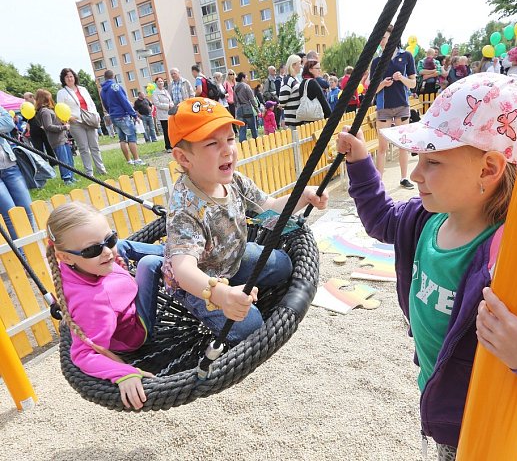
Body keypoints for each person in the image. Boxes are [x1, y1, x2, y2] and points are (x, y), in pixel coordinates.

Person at [336, 72, 517, 459]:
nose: (414, 174)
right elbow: (380, 220)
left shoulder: (515, 260)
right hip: (438, 392)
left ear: (488, 169)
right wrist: (360, 164)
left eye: (433, 161)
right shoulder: (427, 219)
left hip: (478, 423)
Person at [163, 97, 328, 343]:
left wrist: (303, 197)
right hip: (199, 285)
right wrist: (222, 295)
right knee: (250, 325)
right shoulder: (185, 209)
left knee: (284, 264)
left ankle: (236, 286)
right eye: (212, 143)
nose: (227, 148)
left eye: (230, 139)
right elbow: (184, 270)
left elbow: (268, 209)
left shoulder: (235, 181)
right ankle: (209, 300)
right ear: (184, 158)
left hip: (233, 260)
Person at [45, 201, 164, 410]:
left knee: (124, 246)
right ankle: (178, 256)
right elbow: (83, 355)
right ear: (64, 256)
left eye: (110, 239)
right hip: (135, 330)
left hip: (118, 297)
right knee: (149, 264)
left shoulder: (74, 265)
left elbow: (105, 251)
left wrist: (104, 257)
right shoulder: (94, 303)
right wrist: (123, 373)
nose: (108, 251)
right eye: (92, 250)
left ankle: (171, 249)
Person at [370, 24, 417, 188]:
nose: (380, 42)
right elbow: (372, 90)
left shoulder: (407, 56)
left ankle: (404, 178)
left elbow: (412, 84)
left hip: (402, 105)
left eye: (383, 38)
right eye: (380, 39)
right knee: (382, 147)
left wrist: (401, 78)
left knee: (402, 144)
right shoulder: (376, 61)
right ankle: (379, 182)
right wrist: (383, 83)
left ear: (392, 37)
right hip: (383, 107)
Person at [56, 68, 107, 176]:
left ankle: (101, 169)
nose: (69, 79)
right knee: (83, 147)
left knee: (95, 146)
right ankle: (89, 173)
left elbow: (91, 103)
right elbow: (60, 108)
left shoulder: (82, 89)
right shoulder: (62, 93)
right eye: (67, 77)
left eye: (71, 76)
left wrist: (96, 115)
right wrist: (69, 117)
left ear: (74, 77)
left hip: (89, 119)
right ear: (63, 79)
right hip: (76, 122)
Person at [0, 106, 36, 240]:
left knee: (27, 209)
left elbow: (8, 123)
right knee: (10, 215)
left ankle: (31, 247)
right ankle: (23, 255)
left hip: (10, 165)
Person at [100, 70, 145, 165]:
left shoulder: (103, 90)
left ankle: (129, 161)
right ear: (114, 76)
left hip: (113, 116)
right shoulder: (115, 86)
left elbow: (105, 104)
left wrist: (111, 112)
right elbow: (124, 101)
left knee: (122, 139)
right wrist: (133, 114)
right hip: (123, 115)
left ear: (105, 78)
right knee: (131, 137)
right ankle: (137, 159)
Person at [35, 89, 77, 185]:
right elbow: (48, 126)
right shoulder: (45, 112)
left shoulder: (49, 110)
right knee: (63, 160)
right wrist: (63, 127)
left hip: (63, 138)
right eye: (49, 97)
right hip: (57, 140)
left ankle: (71, 176)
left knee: (69, 159)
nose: (51, 99)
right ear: (45, 98)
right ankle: (67, 179)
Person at [22, 92, 55, 162]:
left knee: (48, 145)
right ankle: (43, 163)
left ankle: (53, 162)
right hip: (34, 129)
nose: (25, 100)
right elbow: (26, 120)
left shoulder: (39, 105)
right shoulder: (25, 106)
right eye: (24, 99)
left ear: (32, 97)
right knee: (38, 148)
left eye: (26, 99)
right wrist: (28, 129)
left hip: (43, 128)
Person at [278, 54, 303, 130]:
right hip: (293, 120)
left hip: (298, 119)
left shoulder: (295, 79)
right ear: (293, 65)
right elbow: (282, 100)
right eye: (299, 64)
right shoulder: (288, 80)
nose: (301, 66)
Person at [233, 72, 258, 142]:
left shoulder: (235, 88)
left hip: (239, 109)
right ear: (243, 78)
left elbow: (234, 100)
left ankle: (242, 144)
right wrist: (257, 110)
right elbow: (252, 99)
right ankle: (256, 142)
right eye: (246, 77)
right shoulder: (246, 86)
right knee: (253, 127)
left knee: (242, 128)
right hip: (247, 108)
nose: (247, 79)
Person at [152, 77, 174, 152]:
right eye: (159, 81)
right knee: (166, 131)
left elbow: (170, 99)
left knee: (171, 130)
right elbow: (157, 104)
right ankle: (168, 146)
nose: (161, 83)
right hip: (163, 114)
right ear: (156, 83)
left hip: (170, 113)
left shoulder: (166, 91)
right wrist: (167, 106)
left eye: (161, 81)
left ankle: (172, 144)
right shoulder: (155, 93)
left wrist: (171, 104)